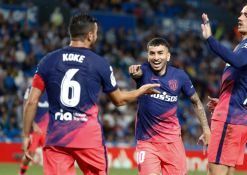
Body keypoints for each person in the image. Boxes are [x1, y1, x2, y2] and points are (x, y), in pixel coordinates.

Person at [22, 14, 160, 175]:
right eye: (96, 32)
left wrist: (26, 135)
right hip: (88, 139)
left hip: (56, 138)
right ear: (90, 35)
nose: (96, 35)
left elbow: (31, 102)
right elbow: (119, 100)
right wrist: (142, 90)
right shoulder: (99, 63)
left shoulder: (47, 61)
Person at [201, 2, 247, 175]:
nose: (240, 18)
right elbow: (245, 80)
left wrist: (210, 39)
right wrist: (224, 99)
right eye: (240, 14)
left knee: (214, 172)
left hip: (230, 117)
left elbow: (237, 61)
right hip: (240, 116)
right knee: (227, 171)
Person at [128, 37, 211, 175]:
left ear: (168, 56)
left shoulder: (180, 76)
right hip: (147, 142)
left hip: (172, 142)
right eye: (152, 53)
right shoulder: (143, 71)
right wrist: (134, 72)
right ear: (148, 56)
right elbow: (136, 72)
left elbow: (196, 101)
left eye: (160, 53)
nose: (156, 57)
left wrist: (206, 128)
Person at [20, 87, 49, 175]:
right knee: (29, 155)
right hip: (35, 130)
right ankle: (21, 173)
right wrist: (32, 124)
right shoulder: (30, 89)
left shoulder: (53, 88)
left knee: (50, 155)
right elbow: (26, 108)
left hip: (49, 130)